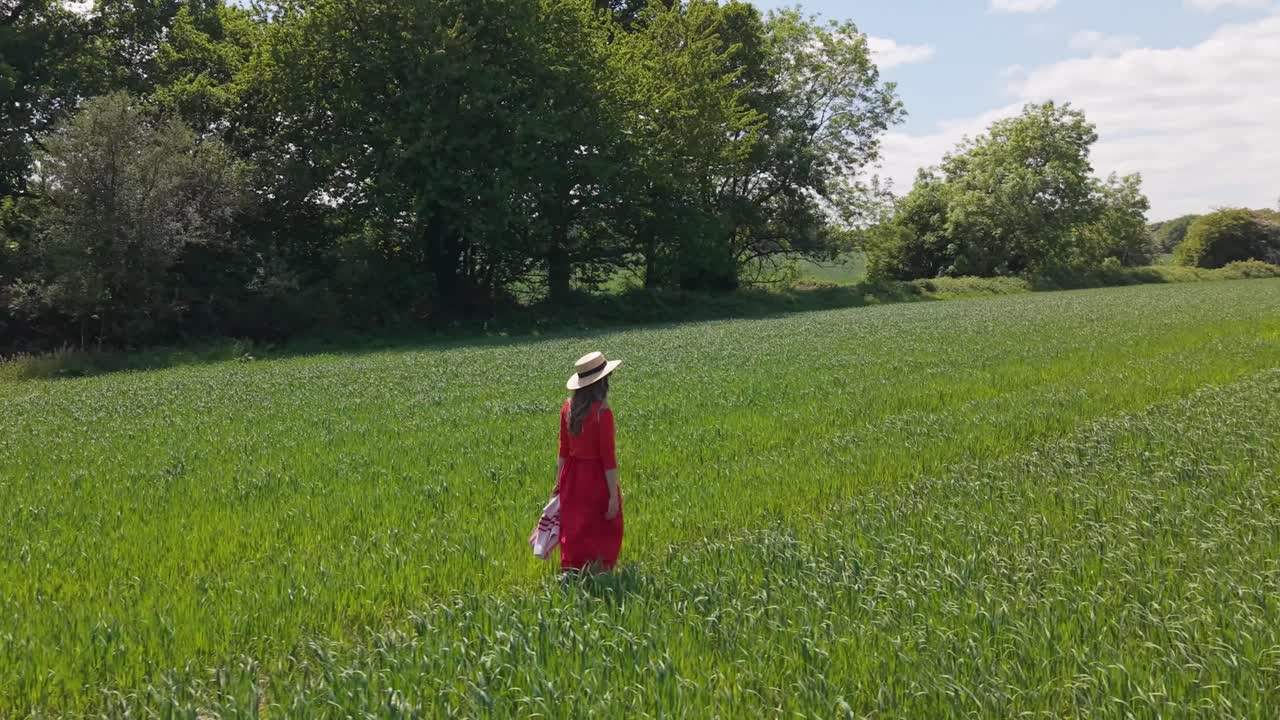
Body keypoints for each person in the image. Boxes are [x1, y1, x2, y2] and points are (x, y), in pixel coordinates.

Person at [555, 351, 624, 573]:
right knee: (606, 524)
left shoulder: (567, 409)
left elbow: (563, 451)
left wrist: (558, 484)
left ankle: (572, 570)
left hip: (572, 477)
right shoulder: (602, 414)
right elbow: (608, 458)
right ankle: (601, 571)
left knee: (575, 526)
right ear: (601, 382)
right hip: (595, 478)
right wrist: (613, 495)